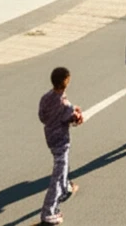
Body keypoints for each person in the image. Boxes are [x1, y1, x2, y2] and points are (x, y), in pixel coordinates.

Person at [38, 67, 84, 225]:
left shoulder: (46, 98)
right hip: (61, 141)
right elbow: (72, 117)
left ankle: (66, 187)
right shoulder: (64, 104)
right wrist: (76, 115)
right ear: (66, 83)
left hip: (49, 137)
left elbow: (42, 116)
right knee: (58, 172)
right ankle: (49, 212)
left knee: (62, 165)